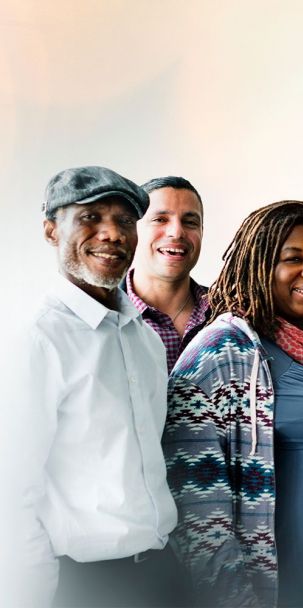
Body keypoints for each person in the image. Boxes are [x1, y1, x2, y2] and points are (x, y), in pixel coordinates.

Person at [165, 201, 303, 606]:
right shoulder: (222, 354)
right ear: (259, 264)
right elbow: (195, 508)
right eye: (293, 259)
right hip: (275, 594)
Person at [5, 166, 180, 606]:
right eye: (90, 218)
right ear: (51, 230)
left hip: (160, 573)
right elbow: (11, 492)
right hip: (86, 584)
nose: (112, 234)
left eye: (124, 221)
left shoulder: (144, 339)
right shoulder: (36, 338)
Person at [124, 176, 210, 371]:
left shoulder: (230, 313)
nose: (176, 232)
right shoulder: (102, 316)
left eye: (189, 222)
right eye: (160, 219)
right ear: (131, 229)